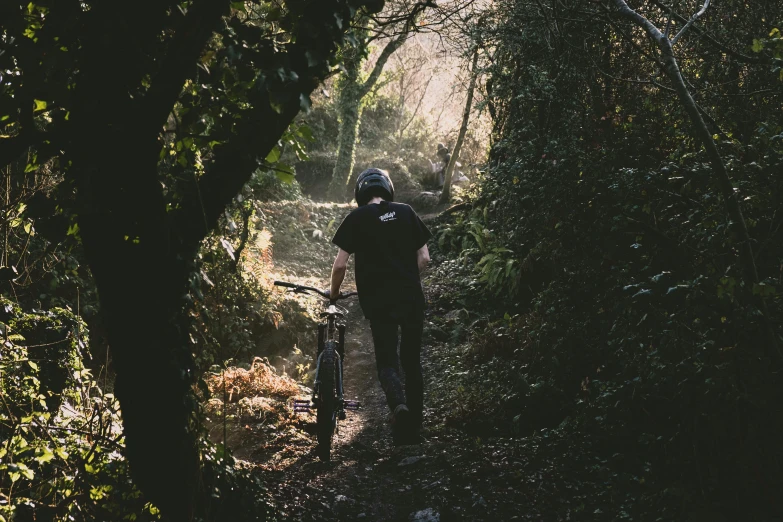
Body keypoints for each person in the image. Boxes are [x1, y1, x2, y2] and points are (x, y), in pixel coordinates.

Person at [329, 168, 431, 444]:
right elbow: (424, 257)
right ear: (388, 188)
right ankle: (413, 431)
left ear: (361, 192)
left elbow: (340, 265)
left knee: (387, 361)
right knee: (411, 361)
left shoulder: (356, 218)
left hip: (378, 300)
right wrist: (408, 280)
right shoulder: (406, 211)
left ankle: (399, 407)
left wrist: (333, 293)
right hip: (410, 297)